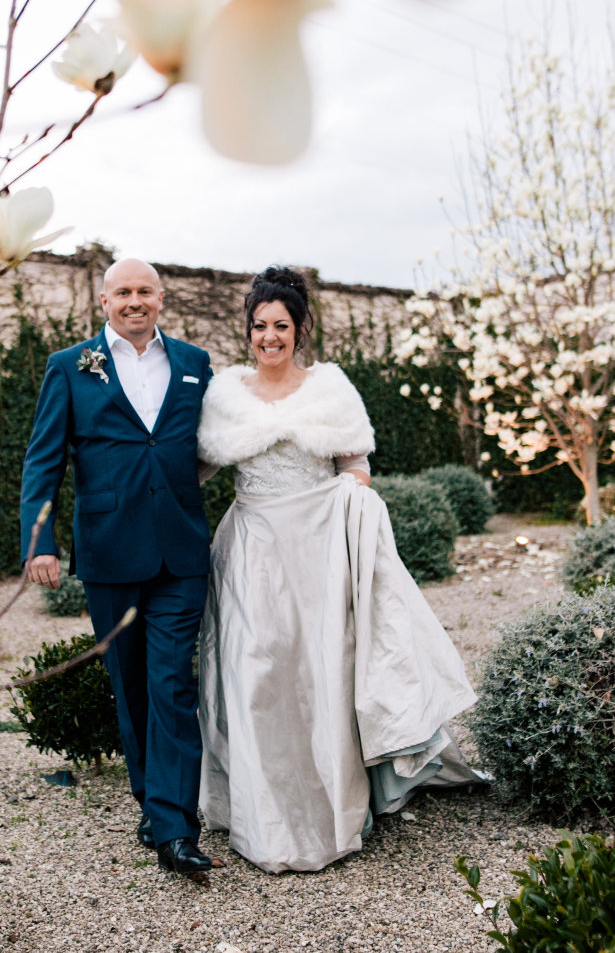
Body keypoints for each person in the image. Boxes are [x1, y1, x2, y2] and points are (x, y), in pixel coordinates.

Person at [195, 266, 484, 874]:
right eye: (259, 326)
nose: (269, 336)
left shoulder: (330, 391)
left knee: (320, 674)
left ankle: (330, 809)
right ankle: (265, 816)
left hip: (318, 555)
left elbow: (356, 468)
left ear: (300, 329)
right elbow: (194, 471)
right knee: (257, 674)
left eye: (281, 325)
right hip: (251, 554)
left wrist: (351, 501)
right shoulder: (224, 397)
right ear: (248, 331)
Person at [19, 257, 217, 875]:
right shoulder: (70, 366)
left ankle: (175, 828)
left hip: (181, 550)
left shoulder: (194, 363)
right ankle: (152, 802)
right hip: (110, 550)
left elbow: (219, 437)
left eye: (145, 291)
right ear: (104, 301)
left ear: (161, 298)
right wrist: (40, 541)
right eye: (123, 292)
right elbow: (43, 460)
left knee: (172, 684)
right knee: (130, 689)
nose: (135, 301)